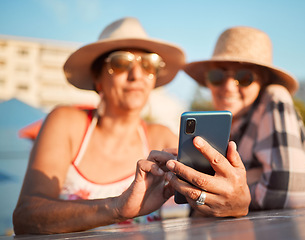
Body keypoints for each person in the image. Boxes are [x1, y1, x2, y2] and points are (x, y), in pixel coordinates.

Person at [12, 17, 185, 234]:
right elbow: (26, 216)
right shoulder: (66, 124)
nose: (137, 75)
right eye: (121, 63)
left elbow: (201, 206)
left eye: (148, 64)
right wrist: (117, 207)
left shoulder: (162, 138)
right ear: (97, 77)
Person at [153, 26, 305, 213]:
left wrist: (230, 193)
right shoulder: (228, 128)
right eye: (217, 76)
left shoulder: (274, 97)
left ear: (263, 81)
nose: (228, 87)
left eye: (244, 77)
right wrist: (250, 177)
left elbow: (290, 192)